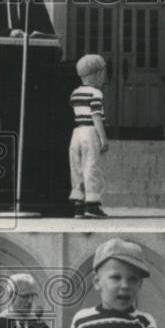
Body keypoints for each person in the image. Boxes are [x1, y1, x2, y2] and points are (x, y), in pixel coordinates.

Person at [69, 55, 110, 219]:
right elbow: (96, 116)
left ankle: (79, 203)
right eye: (103, 73)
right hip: (90, 132)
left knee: (77, 167)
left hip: (77, 132)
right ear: (97, 74)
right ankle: (92, 205)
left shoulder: (75, 93)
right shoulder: (96, 93)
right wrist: (103, 137)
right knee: (91, 166)